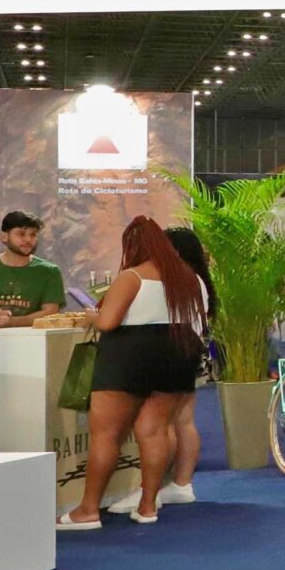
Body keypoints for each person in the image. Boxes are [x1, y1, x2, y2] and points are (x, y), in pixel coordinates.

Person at [57, 217, 209, 529]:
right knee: (153, 430)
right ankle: (148, 505)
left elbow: (108, 322)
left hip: (129, 356)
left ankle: (87, 510)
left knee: (106, 434)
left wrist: (91, 316)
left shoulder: (132, 276)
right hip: (178, 354)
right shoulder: (189, 278)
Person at [110, 226, 213, 513]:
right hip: (191, 352)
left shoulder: (172, 279)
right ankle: (180, 485)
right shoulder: (197, 279)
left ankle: (152, 492)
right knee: (182, 420)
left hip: (173, 353)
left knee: (160, 424)